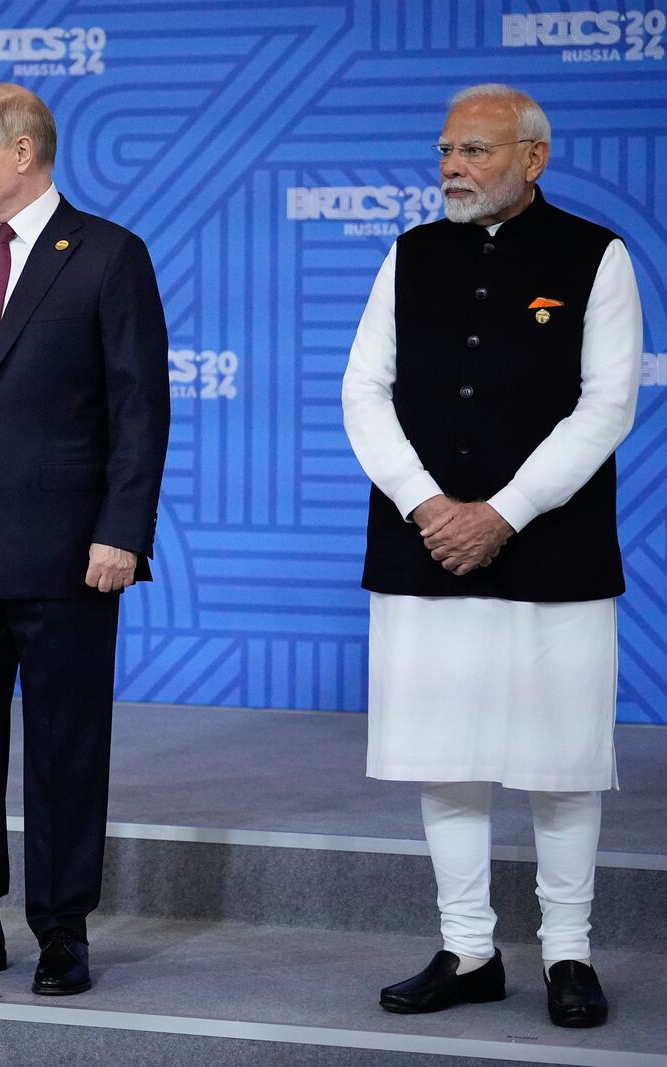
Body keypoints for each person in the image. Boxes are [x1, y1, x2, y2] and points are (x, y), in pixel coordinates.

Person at [342, 83, 642, 1029]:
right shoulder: (409, 253)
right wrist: (430, 503)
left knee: (562, 762)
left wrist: (503, 512)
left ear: (533, 157)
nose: (452, 170)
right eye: (444, 153)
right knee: (448, 758)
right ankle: (468, 948)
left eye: (473, 152)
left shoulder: (599, 255)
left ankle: (568, 954)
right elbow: (363, 389)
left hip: (553, 548)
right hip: (425, 540)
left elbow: (607, 406)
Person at [0, 83, 170, 996]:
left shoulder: (108, 256)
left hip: (67, 558)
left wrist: (121, 532)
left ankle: (60, 929)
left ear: (23, 152)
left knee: (64, 750)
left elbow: (140, 411)